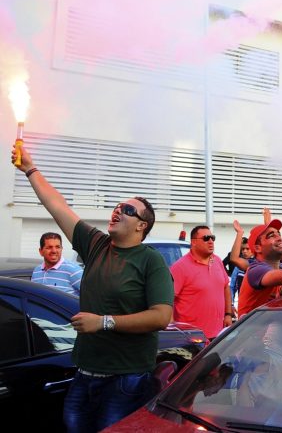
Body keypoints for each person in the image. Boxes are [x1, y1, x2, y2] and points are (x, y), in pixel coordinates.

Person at [12, 145, 173, 432]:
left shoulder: (151, 260)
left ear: (142, 226)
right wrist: (30, 169)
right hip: (85, 372)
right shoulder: (96, 244)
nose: (117, 210)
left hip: (126, 378)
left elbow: (161, 316)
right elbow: (58, 206)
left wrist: (103, 322)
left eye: (127, 210)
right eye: (117, 206)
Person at [170, 225, 233, 341]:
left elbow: (225, 287)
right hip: (191, 337)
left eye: (212, 238)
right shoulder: (180, 267)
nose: (211, 241)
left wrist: (228, 314)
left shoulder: (217, 261)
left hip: (218, 334)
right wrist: (172, 329)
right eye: (206, 238)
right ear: (193, 242)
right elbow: (168, 299)